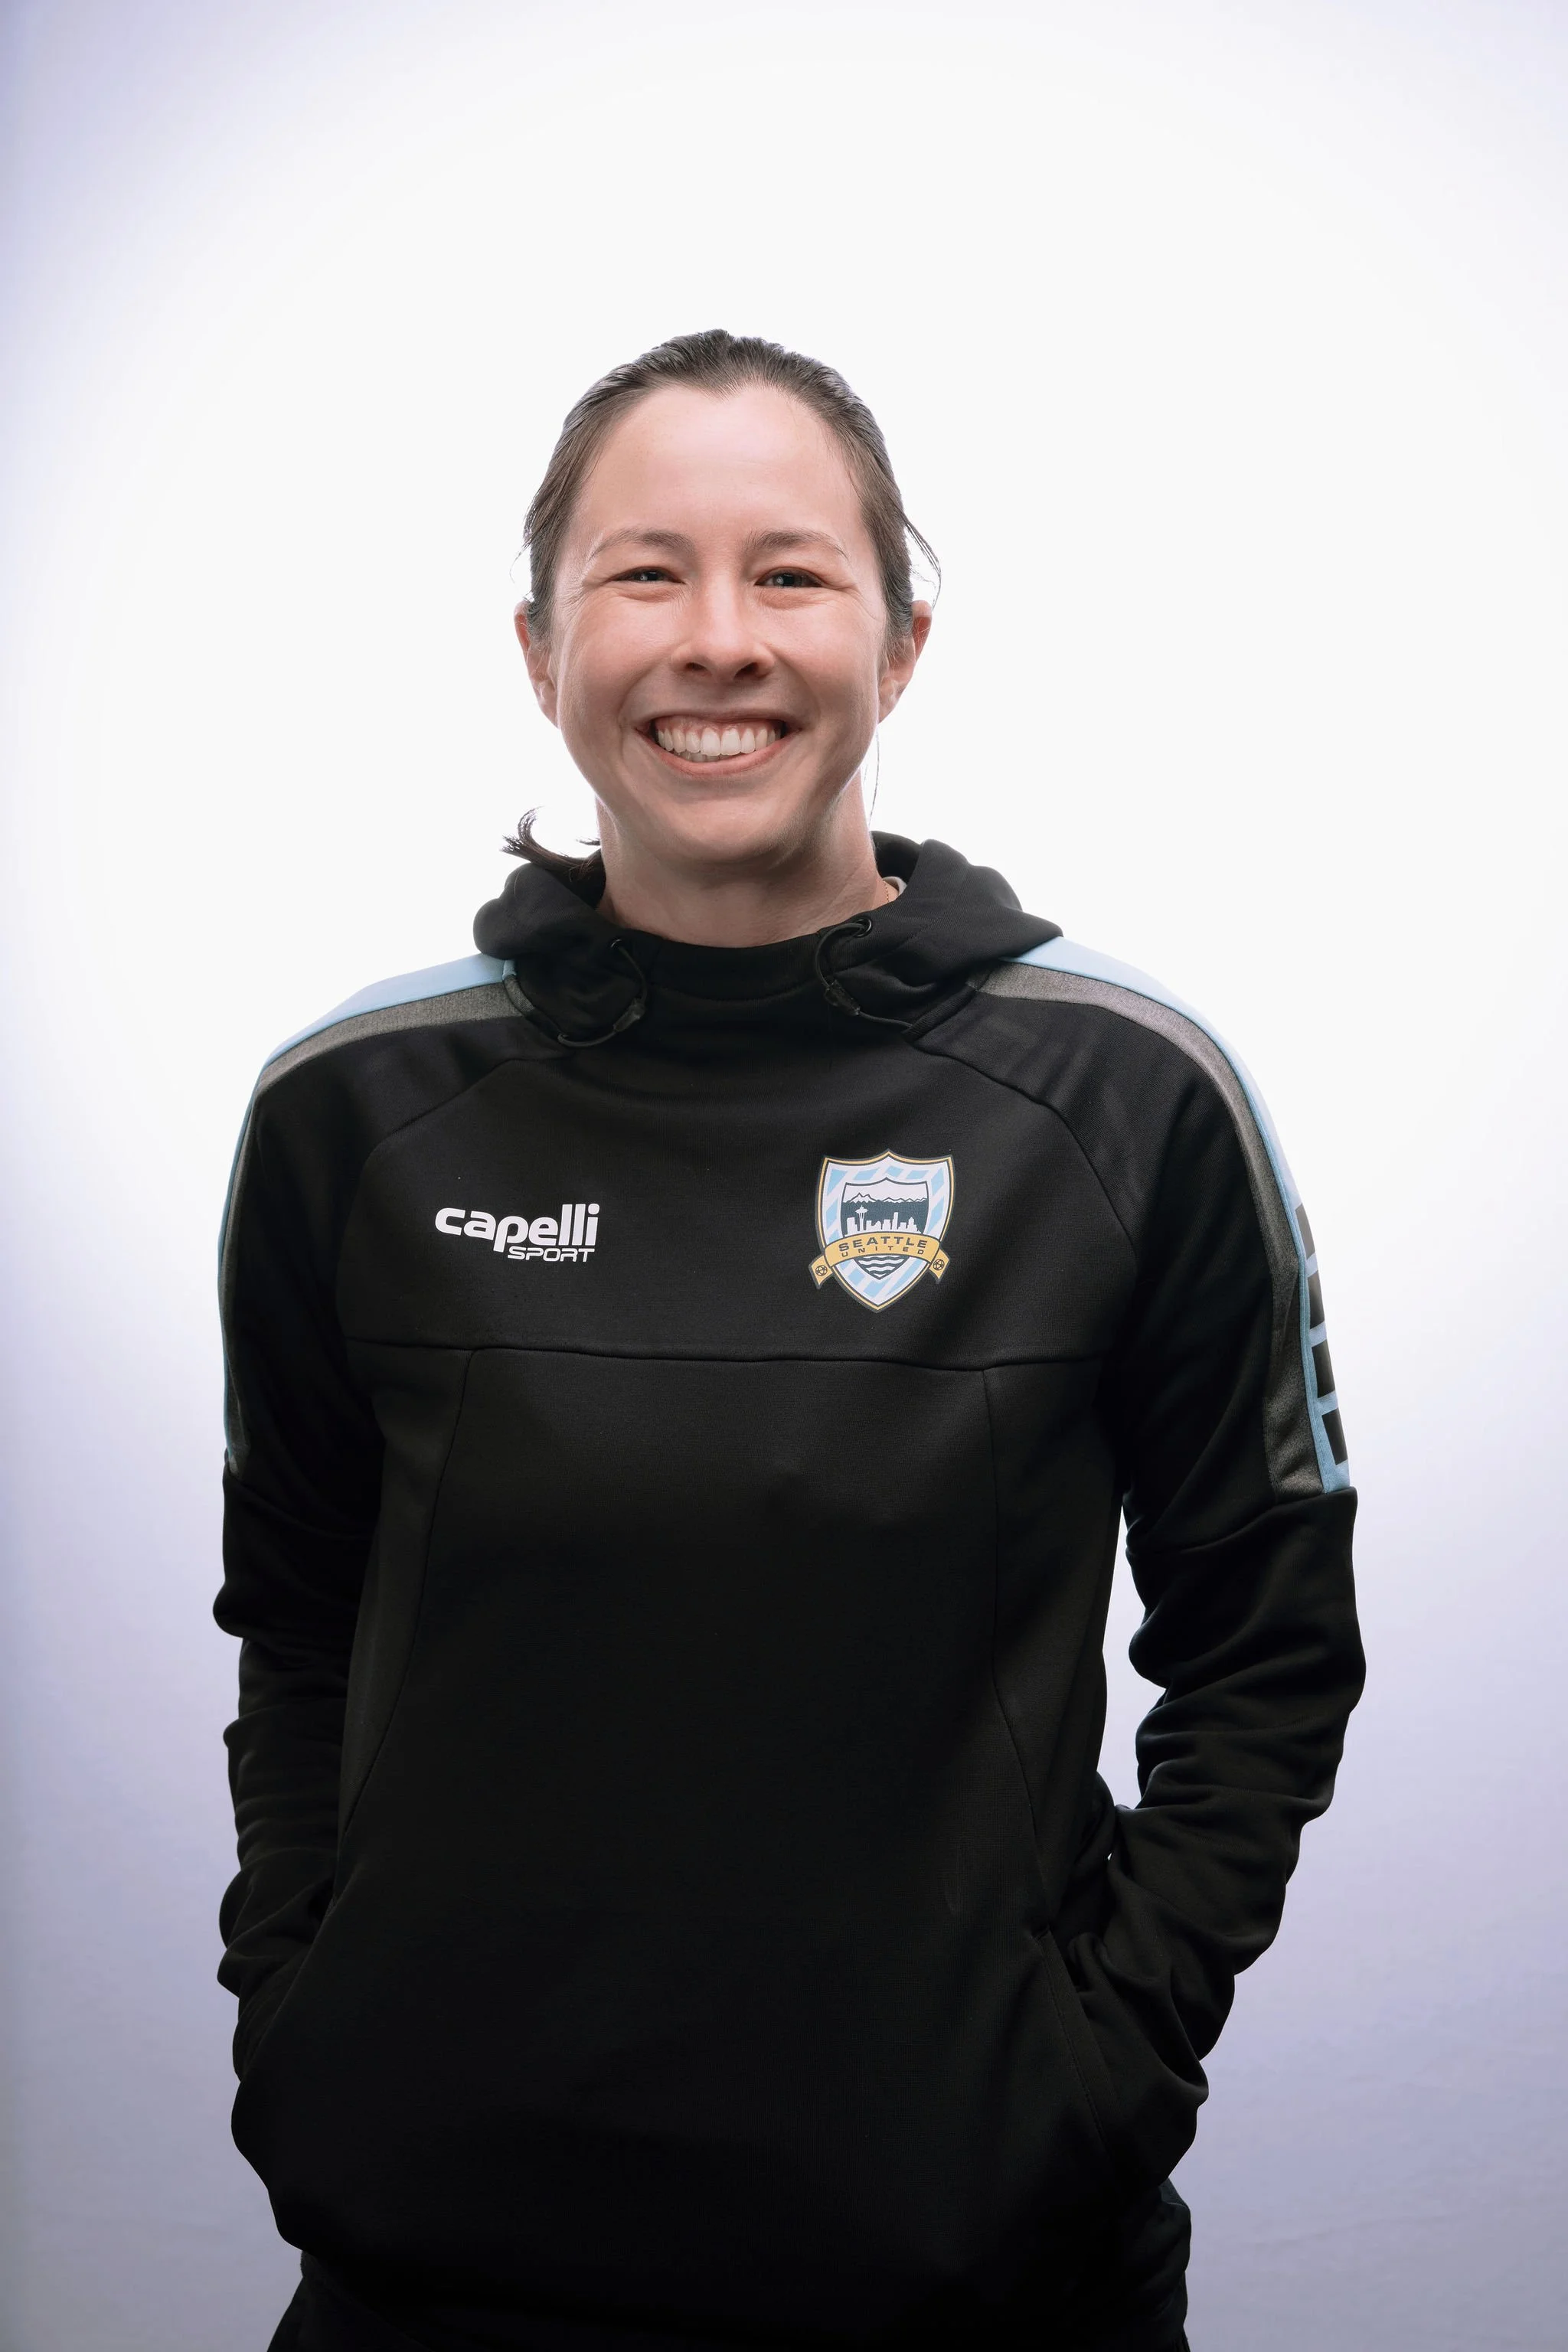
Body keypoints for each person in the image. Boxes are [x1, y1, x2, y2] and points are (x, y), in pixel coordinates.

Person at [216, 329, 1364, 2352]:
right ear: (539, 647)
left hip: (979, 2280)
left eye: (795, 574)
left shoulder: (1126, 1100)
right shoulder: (352, 1114)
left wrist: (1089, 2083)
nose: (717, 640)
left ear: (903, 643)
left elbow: (1268, 1645)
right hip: (438, 2270)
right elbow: (298, 1623)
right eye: (644, 573)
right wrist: (306, 2026)